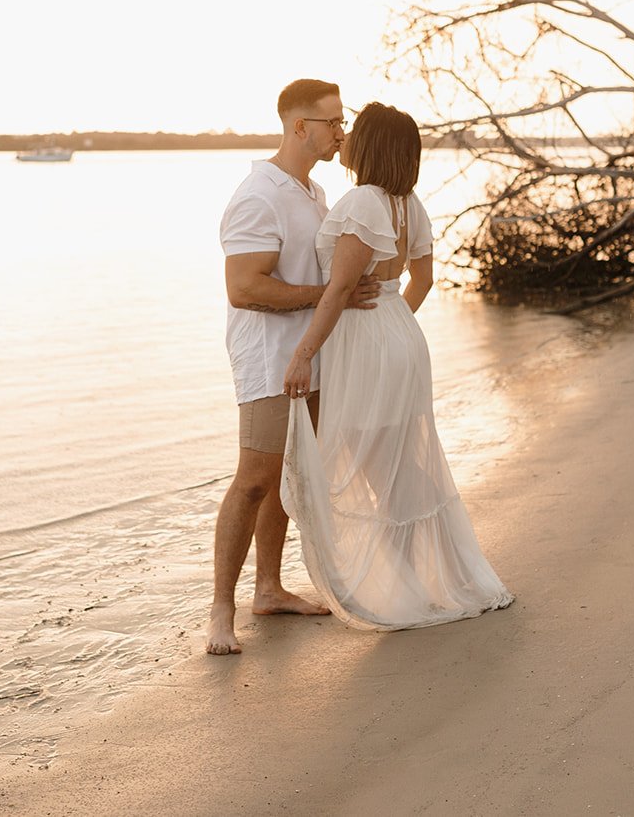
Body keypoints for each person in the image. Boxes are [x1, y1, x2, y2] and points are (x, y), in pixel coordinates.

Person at [281, 103, 514, 630]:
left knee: (377, 471)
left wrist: (302, 355)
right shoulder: (410, 203)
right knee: (400, 470)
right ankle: (421, 578)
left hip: (370, 343)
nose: (346, 138)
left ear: (371, 146)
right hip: (400, 336)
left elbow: (340, 288)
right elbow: (423, 280)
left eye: (355, 133)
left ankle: (407, 589)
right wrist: (391, 325)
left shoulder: (363, 201)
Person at [210, 78, 380, 655]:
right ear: (299, 126)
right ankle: (219, 612)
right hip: (267, 358)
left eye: (344, 120)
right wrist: (323, 295)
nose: (342, 132)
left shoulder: (313, 192)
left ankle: (270, 588)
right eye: (334, 122)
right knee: (255, 479)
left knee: (289, 476)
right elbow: (243, 287)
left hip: (308, 356)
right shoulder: (259, 194)